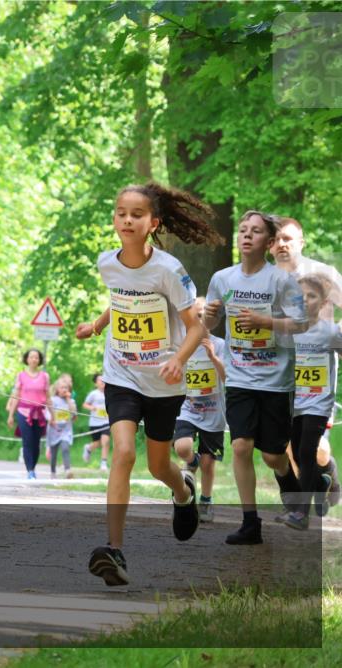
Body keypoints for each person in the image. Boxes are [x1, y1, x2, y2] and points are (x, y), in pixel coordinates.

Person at [76, 182, 222, 587]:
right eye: (121, 212)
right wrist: (97, 325)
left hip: (163, 381)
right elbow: (121, 297)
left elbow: (195, 325)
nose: (127, 220)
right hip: (121, 374)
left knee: (159, 466)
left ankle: (183, 491)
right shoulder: (108, 262)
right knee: (122, 452)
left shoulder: (169, 270)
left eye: (137, 214)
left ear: (153, 223)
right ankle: (114, 549)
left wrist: (178, 358)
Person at [203, 210, 309, 546]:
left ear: (269, 241)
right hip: (238, 378)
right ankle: (250, 523)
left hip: (275, 380)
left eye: (256, 231)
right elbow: (208, 326)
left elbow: (301, 323)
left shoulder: (281, 280)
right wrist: (208, 317)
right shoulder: (222, 279)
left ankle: (291, 489)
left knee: (273, 455)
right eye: (243, 230)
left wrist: (265, 322)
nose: (247, 235)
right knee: (240, 445)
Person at [272, 216, 342, 506]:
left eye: (287, 238)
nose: (281, 244)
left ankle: (327, 473)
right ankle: (308, 495)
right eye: (275, 240)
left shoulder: (321, 272)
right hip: (280, 369)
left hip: (316, 368)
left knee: (312, 447)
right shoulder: (266, 278)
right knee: (286, 444)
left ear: (301, 241)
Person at [281, 274, 342, 529]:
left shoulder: (330, 333)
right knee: (295, 453)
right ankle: (324, 483)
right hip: (296, 403)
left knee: (306, 451)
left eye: (312, 296)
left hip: (319, 403)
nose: (305, 301)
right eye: (301, 296)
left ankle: (300, 513)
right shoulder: (287, 331)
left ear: (324, 302)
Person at [172, 297, 227, 523]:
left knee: (208, 462)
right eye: (196, 314)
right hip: (188, 407)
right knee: (182, 448)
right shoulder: (181, 344)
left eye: (205, 314)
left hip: (213, 411)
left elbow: (227, 378)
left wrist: (213, 357)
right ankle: (190, 462)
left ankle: (205, 499)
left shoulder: (221, 344)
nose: (201, 318)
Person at [6, 349, 51, 480]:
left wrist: (52, 415)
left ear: (39, 360)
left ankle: (33, 467)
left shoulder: (44, 376)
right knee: (27, 441)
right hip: (24, 412)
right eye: (31, 357)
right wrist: (10, 415)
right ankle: (30, 470)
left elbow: (48, 397)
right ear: (27, 359)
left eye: (36, 357)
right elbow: (16, 395)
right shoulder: (21, 376)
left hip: (40, 413)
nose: (34, 360)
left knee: (36, 443)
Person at [47, 374, 77, 479]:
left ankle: (67, 470)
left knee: (65, 448)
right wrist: (51, 419)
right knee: (54, 453)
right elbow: (48, 412)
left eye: (66, 388)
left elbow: (73, 414)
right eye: (62, 387)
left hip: (66, 430)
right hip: (54, 430)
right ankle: (53, 472)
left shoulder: (71, 401)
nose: (64, 389)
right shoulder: (53, 400)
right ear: (57, 389)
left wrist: (69, 400)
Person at [82, 373, 110, 472]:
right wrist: (91, 407)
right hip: (94, 422)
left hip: (106, 422)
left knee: (105, 441)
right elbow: (85, 404)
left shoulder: (109, 393)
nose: (102, 382)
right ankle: (88, 448)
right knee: (97, 443)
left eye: (104, 380)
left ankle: (103, 463)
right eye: (100, 380)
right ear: (96, 383)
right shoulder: (93, 394)